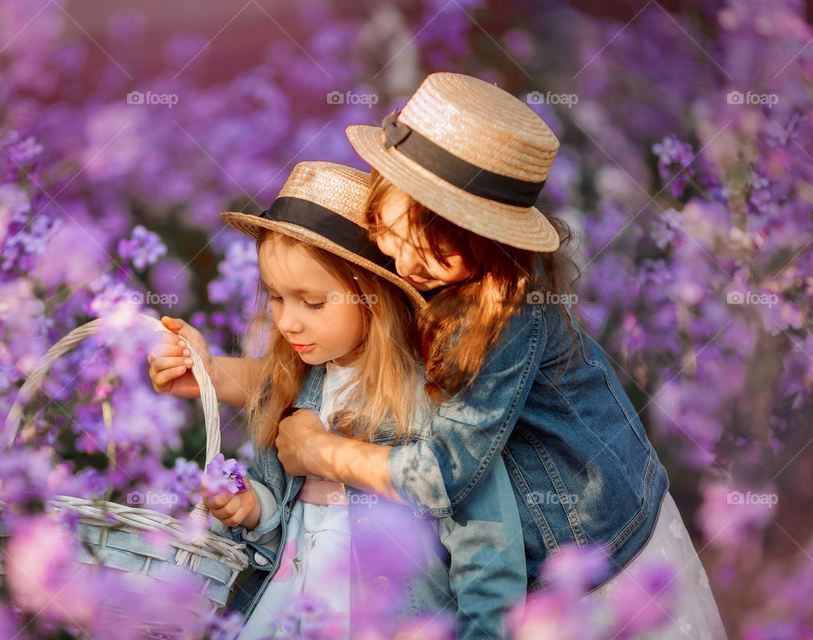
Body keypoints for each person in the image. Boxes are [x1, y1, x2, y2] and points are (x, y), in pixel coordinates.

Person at [272, 73, 727, 637]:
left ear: (494, 250)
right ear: (381, 193)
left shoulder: (506, 315)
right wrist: (215, 374)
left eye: (439, 257)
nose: (407, 268)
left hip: (597, 558)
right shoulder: (428, 276)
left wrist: (322, 451)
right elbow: (343, 361)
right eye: (391, 236)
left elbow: (442, 475)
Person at [149, 160, 526, 638]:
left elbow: (487, 544)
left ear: (373, 296)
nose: (287, 322)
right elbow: (289, 512)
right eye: (277, 298)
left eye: (313, 301)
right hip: (297, 603)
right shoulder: (298, 385)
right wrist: (253, 509)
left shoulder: (430, 401)